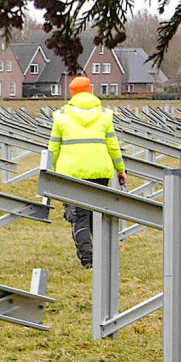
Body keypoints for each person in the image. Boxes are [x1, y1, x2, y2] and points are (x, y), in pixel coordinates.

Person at [47, 76, 127, 269]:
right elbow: (113, 145)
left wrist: (52, 172)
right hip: (100, 170)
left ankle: (88, 258)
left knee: (79, 216)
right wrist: (120, 169)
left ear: (72, 92)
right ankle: (102, 254)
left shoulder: (61, 116)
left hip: (72, 173)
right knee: (97, 214)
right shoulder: (105, 115)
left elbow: (53, 148)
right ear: (90, 90)